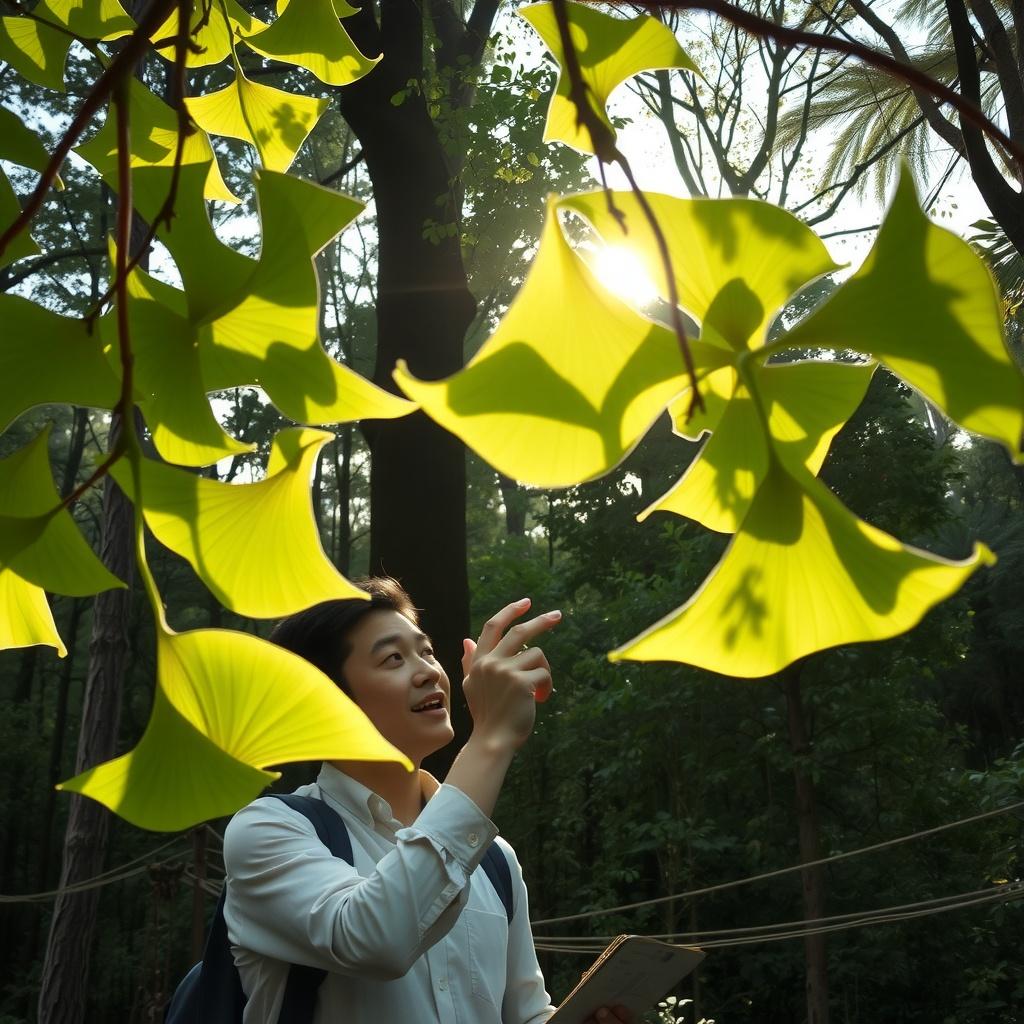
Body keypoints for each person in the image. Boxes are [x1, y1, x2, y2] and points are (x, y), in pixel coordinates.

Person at [222, 577, 631, 1024]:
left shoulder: (492, 859)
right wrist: (490, 740)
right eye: (393, 658)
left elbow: (525, 1012)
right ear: (326, 700)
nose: (428, 672)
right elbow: (374, 939)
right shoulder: (269, 830)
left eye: (427, 651)